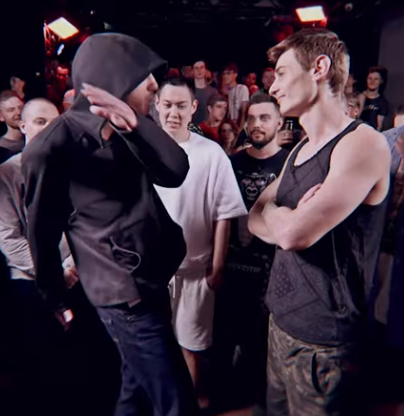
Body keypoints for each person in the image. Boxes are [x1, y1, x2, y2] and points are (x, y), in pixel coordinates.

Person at [22, 33, 198, 416]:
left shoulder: (126, 129)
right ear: (112, 77)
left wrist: (136, 125)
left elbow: (176, 171)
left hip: (154, 279)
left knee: (135, 390)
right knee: (177, 402)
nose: (153, 86)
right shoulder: (51, 147)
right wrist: (54, 298)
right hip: (124, 297)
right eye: (143, 76)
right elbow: (42, 232)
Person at [248, 28, 390, 415]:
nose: (273, 87)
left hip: (325, 344)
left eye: (281, 73)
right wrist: (282, 216)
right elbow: (254, 217)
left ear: (319, 68)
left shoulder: (361, 143)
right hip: (281, 323)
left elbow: (293, 235)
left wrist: (281, 220)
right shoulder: (300, 148)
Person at [155, 76, 247, 408]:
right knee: (155, 347)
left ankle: (189, 406)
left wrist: (217, 265)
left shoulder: (210, 153)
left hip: (195, 269)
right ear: (157, 105)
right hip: (152, 273)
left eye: (181, 106)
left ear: (194, 107)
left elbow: (225, 212)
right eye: (167, 105)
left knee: (190, 347)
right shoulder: (144, 149)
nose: (173, 113)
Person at [0, 98, 77, 416]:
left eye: (54, 123)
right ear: (23, 126)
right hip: (29, 280)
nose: (49, 130)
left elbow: (83, 229)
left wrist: (70, 269)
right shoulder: (7, 173)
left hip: (72, 276)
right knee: (38, 367)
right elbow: (9, 239)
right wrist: (53, 275)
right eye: (41, 122)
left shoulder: (72, 169)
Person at [214, 94, 288, 409]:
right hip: (231, 268)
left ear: (280, 122)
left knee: (260, 352)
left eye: (265, 118)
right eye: (252, 118)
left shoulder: (290, 164)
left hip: (271, 275)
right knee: (221, 345)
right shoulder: (232, 163)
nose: (257, 125)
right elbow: (219, 216)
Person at [359, 66, 389, 131]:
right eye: (370, 78)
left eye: (376, 79)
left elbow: (379, 125)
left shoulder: (383, 103)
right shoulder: (358, 96)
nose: (372, 82)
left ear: (381, 81)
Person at [222, 64, 249, 130]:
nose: (225, 76)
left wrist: (240, 130)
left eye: (228, 73)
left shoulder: (242, 88)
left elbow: (244, 112)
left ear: (235, 74)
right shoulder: (226, 92)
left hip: (240, 127)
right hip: (229, 127)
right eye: (223, 74)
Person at [192, 60, 218, 125]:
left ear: (205, 70)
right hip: (192, 127)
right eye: (196, 68)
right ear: (192, 71)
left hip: (209, 127)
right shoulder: (188, 91)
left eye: (201, 67)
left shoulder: (213, 92)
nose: (199, 70)